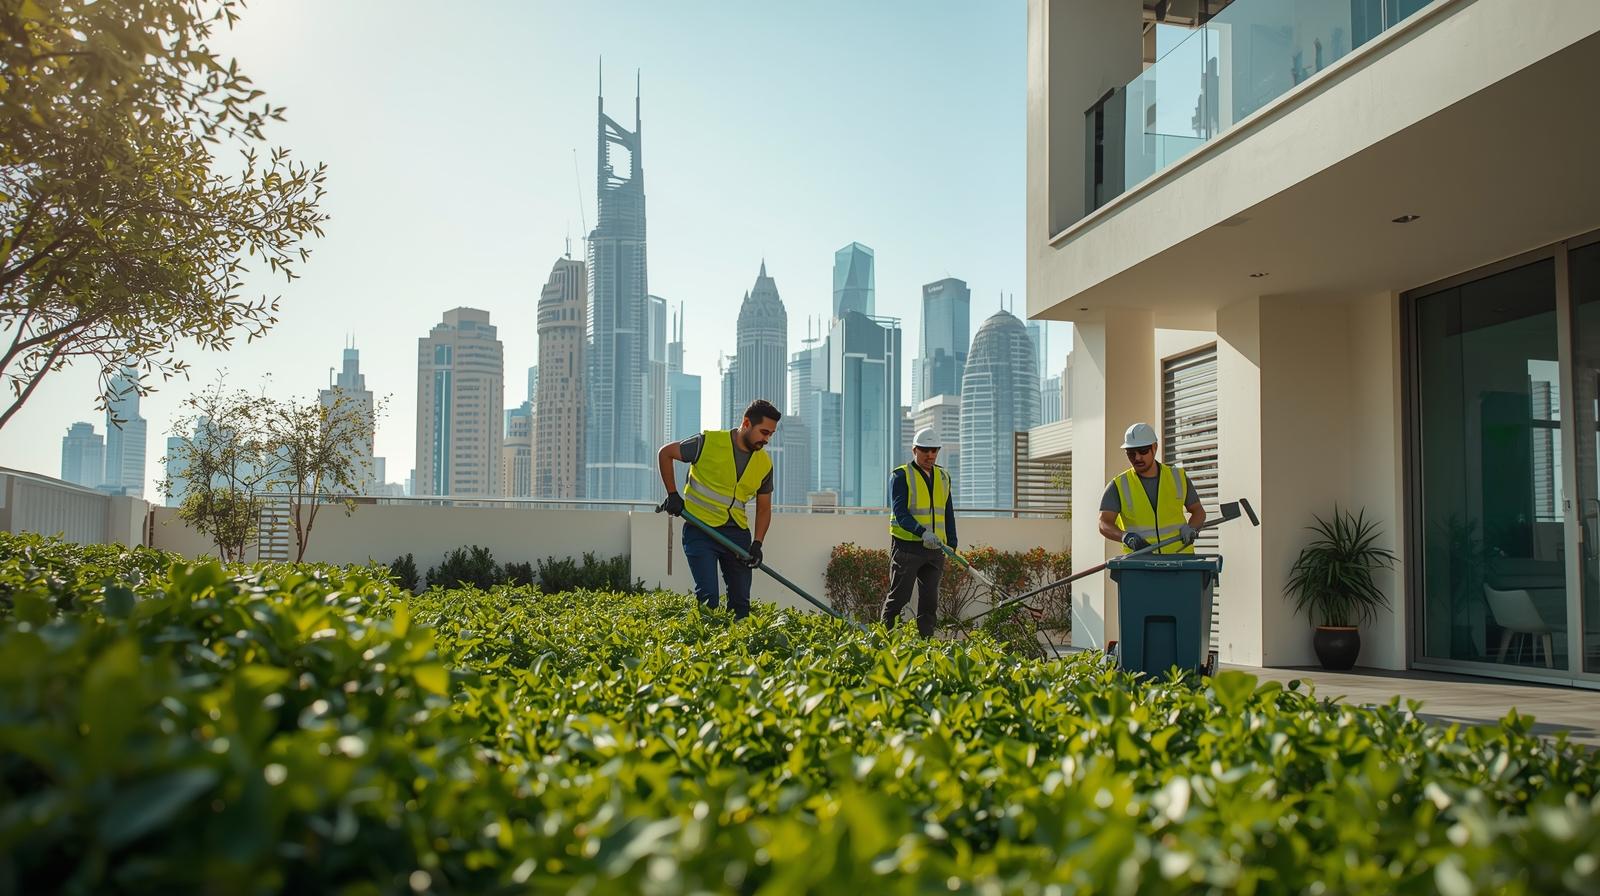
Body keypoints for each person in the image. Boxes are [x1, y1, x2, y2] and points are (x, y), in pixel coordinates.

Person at [657, 399, 780, 619]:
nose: (766, 439)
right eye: (763, 432)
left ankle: (737, 651)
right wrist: (673, 495)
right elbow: (665, 453)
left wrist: (757, 544)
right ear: (746, 423)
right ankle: (707, 649)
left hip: (737, 535)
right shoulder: (708, 443)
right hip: (700, 530)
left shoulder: (764, 463)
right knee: (708, 599)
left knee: (741, 603)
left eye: (770, 434)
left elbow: (764, 509)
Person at [880, 427, 958, 637]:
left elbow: (947, 511)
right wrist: (921, 531)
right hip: (908, 547)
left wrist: (952, 542)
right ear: (915, 450)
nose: (930, 455)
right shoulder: (900, 476)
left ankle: (926, 644)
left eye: (934, 450)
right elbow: (900, 513)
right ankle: (884, 641)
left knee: (930, 601)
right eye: (925, 450)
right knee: (899, 598)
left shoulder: (943, 477)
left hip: (935, 549)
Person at [1098, 422, 1206, 554]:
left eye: (1143, 451)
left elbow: (1198, 511)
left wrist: (1192, 528)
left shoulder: (1178, 477)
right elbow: (1104, 523)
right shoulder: (1118, 485)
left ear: (1155, 447)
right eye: (1131, 453)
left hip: (1179, 559)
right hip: (1140, 564)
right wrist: (1124, 537)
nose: (1137, 457)